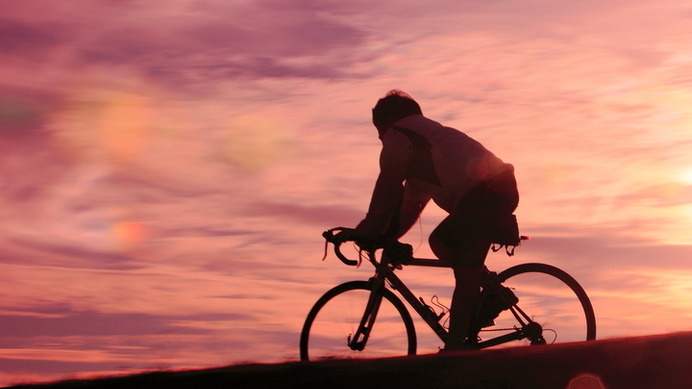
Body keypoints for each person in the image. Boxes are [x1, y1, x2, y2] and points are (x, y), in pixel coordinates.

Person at [335, 90, 520, 351]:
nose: (379, 137)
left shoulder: (399, 134)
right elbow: (410, 204)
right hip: (494, 189)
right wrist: (387, 237)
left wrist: (366, 231)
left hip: (485, 194)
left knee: (457, 261)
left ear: (386, 123)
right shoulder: (425, 142)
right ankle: (488, 297)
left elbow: (387, 185)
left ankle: (455, 349)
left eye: (377, 129)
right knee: (443, 245)